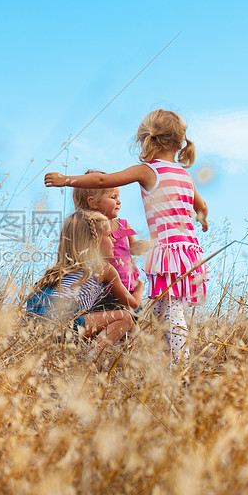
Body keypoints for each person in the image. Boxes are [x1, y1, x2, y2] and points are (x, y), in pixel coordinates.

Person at [44, 109, 208, 364]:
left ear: (148, 140)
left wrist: (67, 180)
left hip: (169, 251)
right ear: (178, 142)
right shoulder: (185, 175)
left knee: (171, 312)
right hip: (189, 249)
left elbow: (101, 180)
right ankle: (165, 361)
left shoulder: (148, 171)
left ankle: (180, 364)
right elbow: (202, 207)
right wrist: (202, 220)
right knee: (164, 309)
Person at [25, 209, 140, 356]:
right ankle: (91, 358)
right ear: (94, 241)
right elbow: (133, 304)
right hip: (62, 323)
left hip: (35, 326)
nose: (114, 240)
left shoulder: (60, 271)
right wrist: (139, 287)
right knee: (126, 319)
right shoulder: (104, 268)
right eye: (108, 235)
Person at [72, 170, 146, 312]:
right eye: (113, 197)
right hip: (102, 293)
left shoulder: (123, 224)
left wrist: (141, 246)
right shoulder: (89, 228)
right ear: (93, 202)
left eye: (118, 197)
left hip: (128, 288)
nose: (119, 201)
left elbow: (133, 247)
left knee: (132, 324)